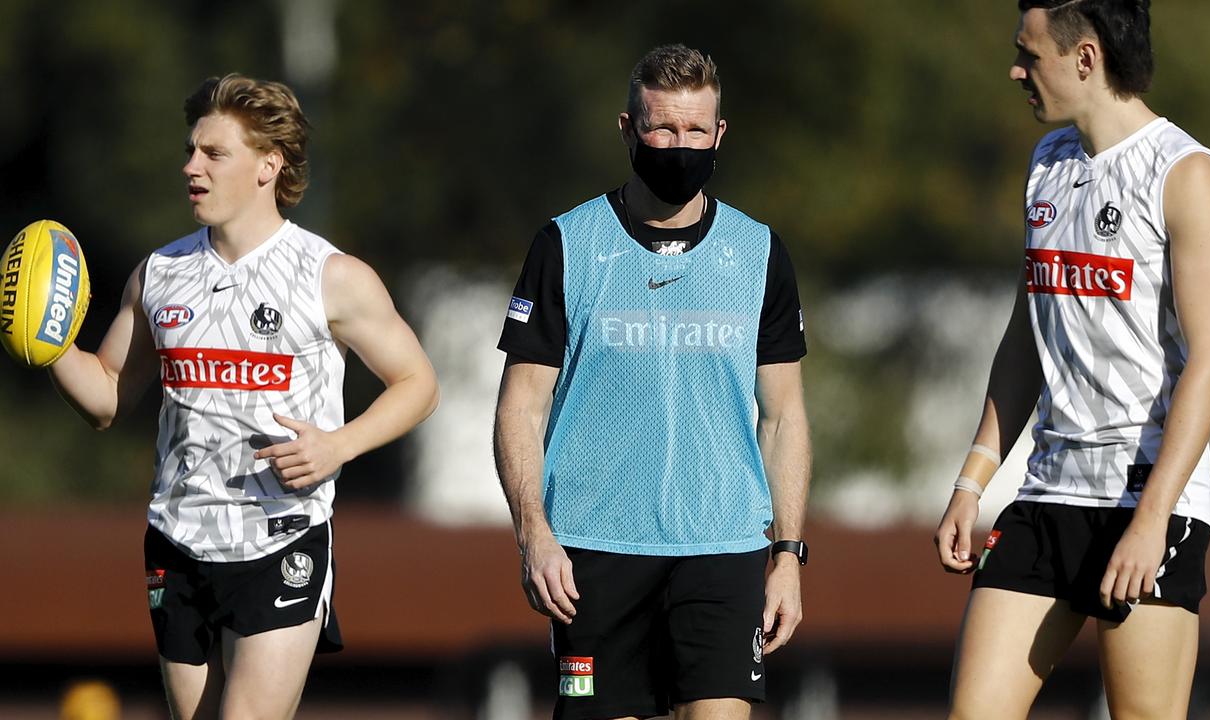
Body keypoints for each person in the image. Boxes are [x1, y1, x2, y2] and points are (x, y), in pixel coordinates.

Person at [46, 74, 440, 720]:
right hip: (178, 538)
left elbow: (419, 384)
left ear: (268, 164)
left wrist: (339, 445)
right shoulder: (160, 274)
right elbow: (106, 397)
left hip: (281, 538)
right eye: (190, 150)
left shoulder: (330, 276)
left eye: (213, 153)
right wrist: (49, 343)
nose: (190, 167)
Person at [933, 1, 1210, 717]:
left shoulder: (1185, 173)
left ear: (1086, 58)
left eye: (1028, 55)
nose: (1016, 70)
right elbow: (1024, 339)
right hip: (1047, 493)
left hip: (1144, 499)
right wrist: (973, 482)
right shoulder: (1047, 164)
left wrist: (1152, 519)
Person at [493, 44, 811, 720]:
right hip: (595, 551)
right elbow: (521, 405)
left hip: (722, 545)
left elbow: (782, 416)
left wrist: (787, 555)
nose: (679, 145)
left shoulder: (758, 253)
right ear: (628, 128)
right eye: (662, 128)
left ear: (719, 134)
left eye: (695, 130)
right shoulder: (567, 245)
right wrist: (534, 534)